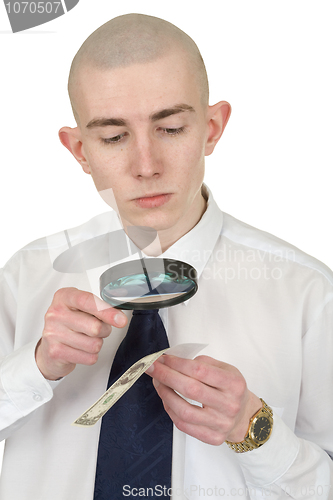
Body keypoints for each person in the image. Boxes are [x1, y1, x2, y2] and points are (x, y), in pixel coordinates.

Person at [0, 13, 332, 500]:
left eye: (171, 128)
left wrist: (252, 429)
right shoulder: (25, 278)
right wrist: (36, 366)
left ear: (212, 128)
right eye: (113, 138)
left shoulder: (307, 294)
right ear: (80, 151)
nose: (146, 166)